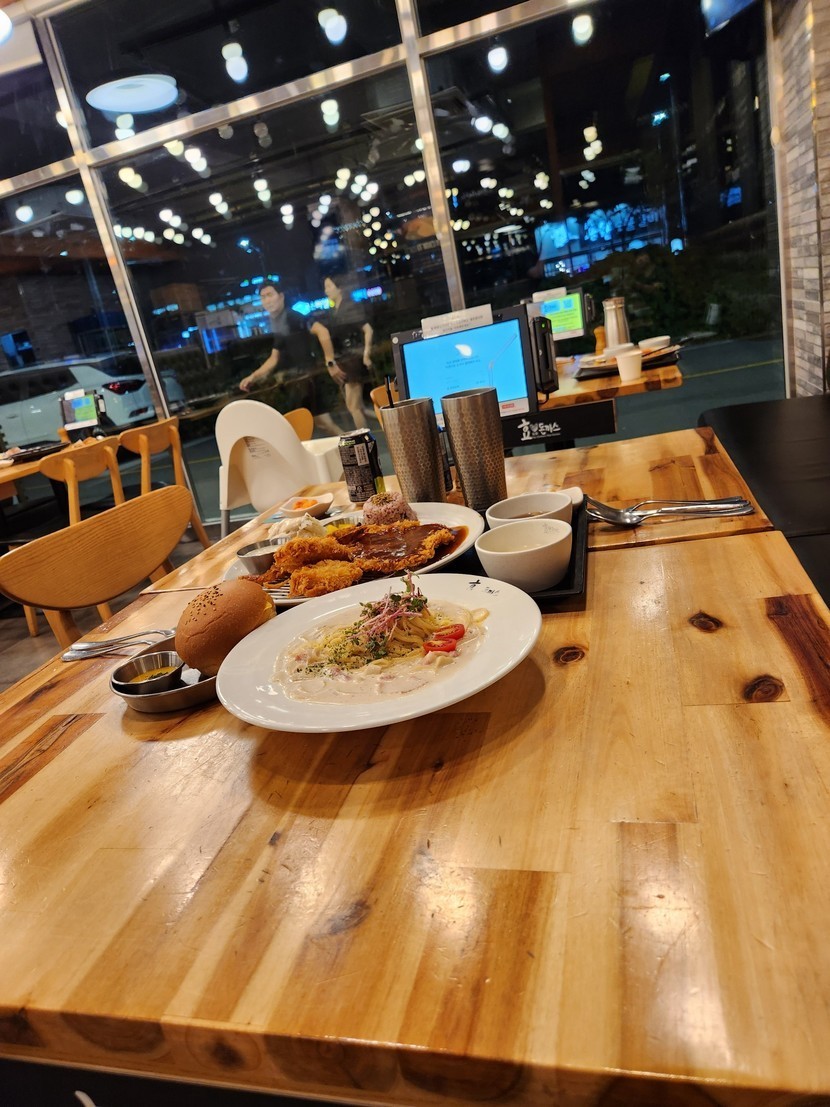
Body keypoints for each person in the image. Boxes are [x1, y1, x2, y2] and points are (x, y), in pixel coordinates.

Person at [240, 283, 343, 436]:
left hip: (306, 380)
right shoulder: (278, 323)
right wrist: (253, 377)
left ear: (281, 296)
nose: (267, 300)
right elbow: (274, 358)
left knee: (308, 426)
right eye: (263, 297)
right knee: (319, 424)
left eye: (270, 295)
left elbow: (322, 331)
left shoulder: (292, 316)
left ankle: (352, 446)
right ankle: (352, 446)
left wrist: (330, 362)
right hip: (297, 382)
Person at [311, 274, 374, 430]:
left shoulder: (349, 306)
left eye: (329, 286)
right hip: (346, 359)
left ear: (339, 288)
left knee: (353, 407)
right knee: (358, 407)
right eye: (325, 287)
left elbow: (368, 330)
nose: (326, 290)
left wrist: (366, 354)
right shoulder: (335, 310)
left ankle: (365, 440)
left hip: (353, 359)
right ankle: (388, 422)